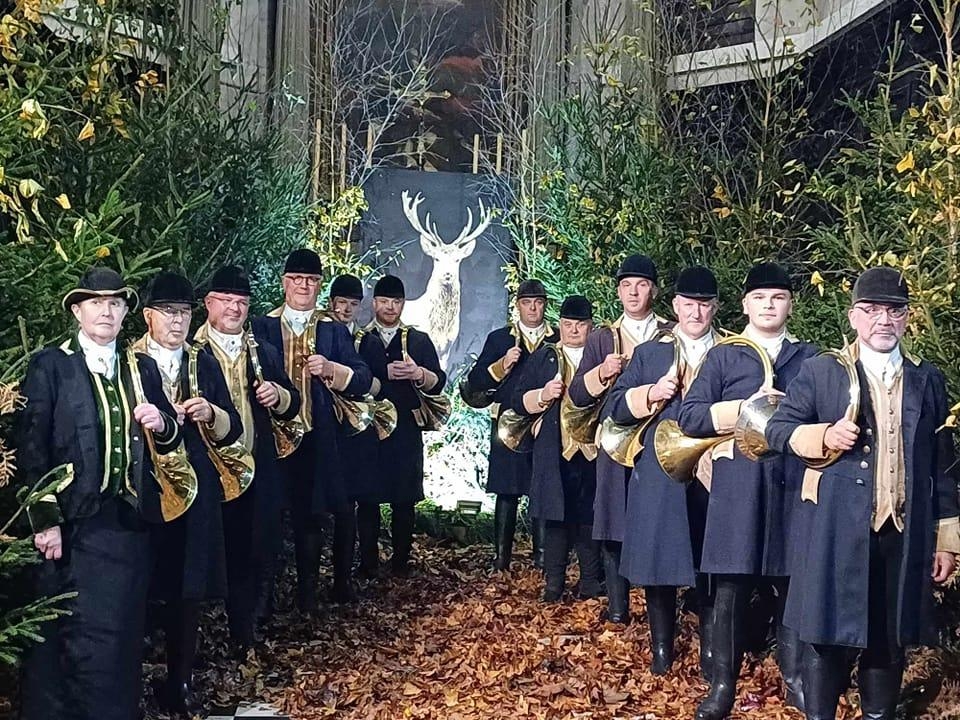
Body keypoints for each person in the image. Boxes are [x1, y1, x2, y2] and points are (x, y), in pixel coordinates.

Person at [766, 267, 960, 720]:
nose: (883, 320)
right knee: (827, 641)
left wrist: (946, 539)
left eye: (893, 311)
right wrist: (822, 436)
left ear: (907, 318)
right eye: (871, 311)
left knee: (888, 642)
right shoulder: (822, 372)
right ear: (854, 317)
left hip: (902, 534)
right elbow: (776, 429)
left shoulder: (925, 378)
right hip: (834, 529)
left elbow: (943, 463)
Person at [18, 267, 184, 720]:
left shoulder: (141, 367)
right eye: (96, 302)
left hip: (126, 527)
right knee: (67, 638)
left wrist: (162, 423)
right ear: (77, 310)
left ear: (127, 311)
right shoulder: (51, 365)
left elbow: (171, 438)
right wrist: (46, 520)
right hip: (71, 530)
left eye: (115, 302)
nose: (106, 311)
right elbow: (31, 445)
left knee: (120, 638)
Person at [678, 262, 817, 720]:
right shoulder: (724, 357)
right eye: (760, 298)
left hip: (791, 485)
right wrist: (743, 409)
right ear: (745, 305)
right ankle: (722, 686)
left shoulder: (809, 358)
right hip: (737, 485)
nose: (769, 305)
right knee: (730, 588)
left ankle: (796, 681)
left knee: (791, 584)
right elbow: (691, 417)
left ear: (790, 305)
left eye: (777, 298)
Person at [135, 271, 243, 715]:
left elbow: (234, 425)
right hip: (146, 487)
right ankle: (135, 677)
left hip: (197, 487)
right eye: (168, 312)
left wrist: (211, 411)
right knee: (143, 583)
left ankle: (180, 680)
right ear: (147, 317)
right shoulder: (130, 361)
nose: (177, 322)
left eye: (183, 313)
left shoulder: (203, 360)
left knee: (189, 587)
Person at [604, 266, 719, 674]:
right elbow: (615, 408)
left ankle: (711, 651)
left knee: (712, 560)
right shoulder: (650, 353)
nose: (696, 313)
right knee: (659, 563)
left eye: (704, 305)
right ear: (675, 306)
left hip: (712, 471)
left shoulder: (729, 352)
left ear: (715, 308)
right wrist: (650, 393)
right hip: (659, 472)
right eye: (688, 305)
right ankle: (662, 648)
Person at [252, 250, 372, 610]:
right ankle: (265, 600)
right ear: (285, 283)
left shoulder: (333, 330)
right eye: (297, 279)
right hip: (269, 439)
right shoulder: (261, 327)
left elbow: (363, 378)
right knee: (266, 519)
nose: (304, 285)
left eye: (311, 280)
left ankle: (307, 597)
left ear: (319, 286)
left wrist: (333, 368)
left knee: (311, 517)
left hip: (316, 437)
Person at [194, 265, 300, 647]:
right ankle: (205, 637)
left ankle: (245, 632)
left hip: (257, 469)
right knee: (210, 553)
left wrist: (279, 395)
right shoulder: (193, 353)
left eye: (241, 302)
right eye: (226, 301)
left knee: (254, 550)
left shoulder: (264, 352)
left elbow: (293, 403)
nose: (234, 309)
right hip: (208, 472)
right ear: (208, 304)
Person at [568, 253, 670, 623]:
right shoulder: (601, 338)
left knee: (659, 518)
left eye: (641, 285)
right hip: (613, 441)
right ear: (617, 292)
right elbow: (577, 395)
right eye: (626, 285)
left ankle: (660, 605)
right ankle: (617, 607)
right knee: (612, 520)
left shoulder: (671, 334)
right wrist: (600, 371)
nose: (633, 292)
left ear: (654, 291)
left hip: (658, 440)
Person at [355, 275, 447, 577]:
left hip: (406, 428)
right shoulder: (360, 340)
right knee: (366, 498)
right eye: (384, 301)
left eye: (396, 302)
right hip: (368, 429)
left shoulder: (417, 340)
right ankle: (367, 564)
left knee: (404, 498)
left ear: (403, 304)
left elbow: (439, 381)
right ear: (374, 303)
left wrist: (418, 373)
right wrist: (383, 374)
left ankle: (401, 563)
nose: (390, 307)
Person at [510, 295, 601, 602]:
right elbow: (517, 400)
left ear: (591, 326)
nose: (573, 330)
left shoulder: (600, 357)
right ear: (559, 325)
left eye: (580, 324)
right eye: (567, 324)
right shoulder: (546, 356)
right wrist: (543, 394)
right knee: (555, 520)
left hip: (591, 450)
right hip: (554, 450)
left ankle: (590, 582)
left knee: (589, 519)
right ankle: (554, 584)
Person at [465, 279, 559, 571]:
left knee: (541, 488)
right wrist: (501, 365)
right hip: (506, 423)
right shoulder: (499, 339)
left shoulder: (555, 338)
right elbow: (477, 382)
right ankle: (501, 558)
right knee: (507, 490)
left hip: (544, 422)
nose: (533, 308)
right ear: (517, 305)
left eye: (538, 302)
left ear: (545, 305)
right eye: (527, 302)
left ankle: (542, 556)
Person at [327, 274, 386, 579]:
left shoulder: (368, 341)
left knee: (366, 500)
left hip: (362, 433)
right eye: (342, 303)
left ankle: (368, 565)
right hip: (332, 432)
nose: (347, 309)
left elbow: (380, 386)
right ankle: (340, 573)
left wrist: (356, 386)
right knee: (341, 506)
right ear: (331, 303)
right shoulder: (321, 336)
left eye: (353, 304)